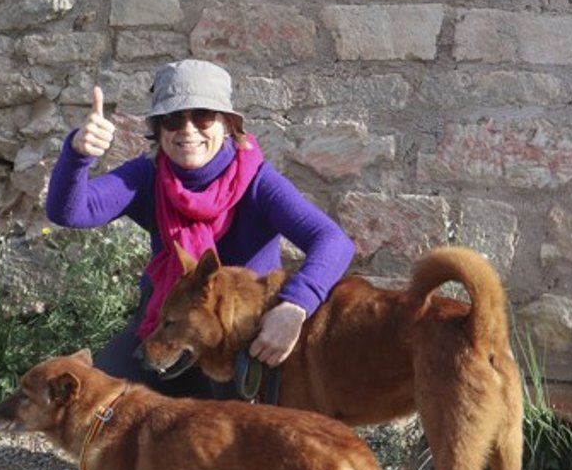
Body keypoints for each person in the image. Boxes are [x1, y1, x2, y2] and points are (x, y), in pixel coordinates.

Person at [45, 57, 355, 397]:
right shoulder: (148, 175)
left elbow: (332, 240)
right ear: (158, 128)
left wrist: (295, 307)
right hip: (168, 322)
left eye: (203, 116)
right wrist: (77, 153)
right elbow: (72, 212)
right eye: (173, 119)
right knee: (103, 400)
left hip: (242, 334)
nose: (188, 129)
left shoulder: (258, 181)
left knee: (228, 429)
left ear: (228, 125)